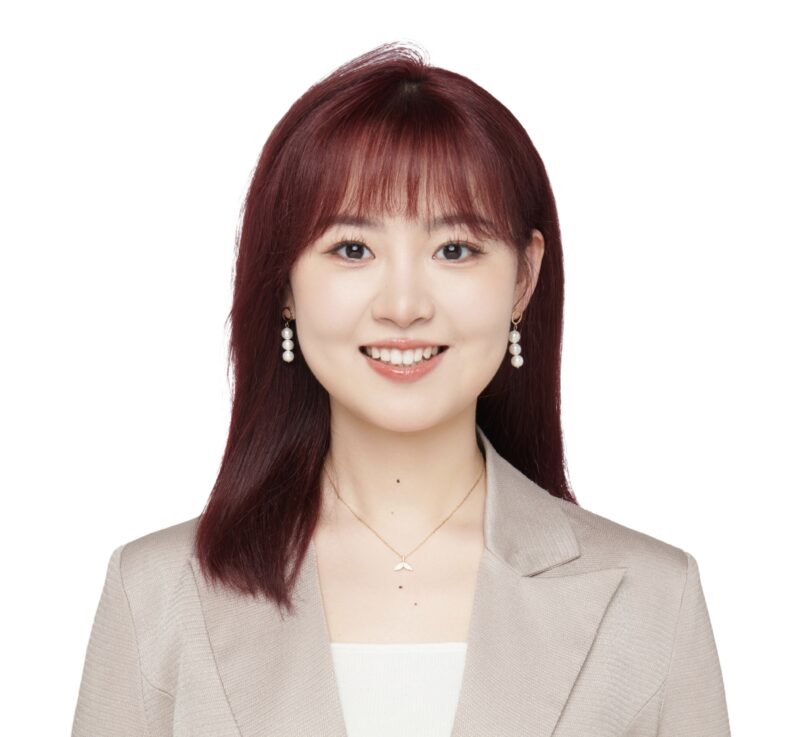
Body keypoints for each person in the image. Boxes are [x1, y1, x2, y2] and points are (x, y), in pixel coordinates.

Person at [71, 42, 731, 737]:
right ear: (284, 283)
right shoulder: (157, 596)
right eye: (352, 249)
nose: (404, 305)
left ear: (524, 279)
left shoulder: (653, 601)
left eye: (455, 249)